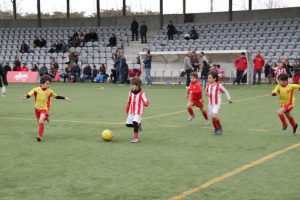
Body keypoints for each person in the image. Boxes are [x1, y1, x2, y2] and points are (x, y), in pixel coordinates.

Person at [21, 75, 72, 142]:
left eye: (49, 83)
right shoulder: (36, 89)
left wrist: (65, 98)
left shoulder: (49, 91)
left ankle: (39, 136)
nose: (49, 85)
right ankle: (46, 117)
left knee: (41, 121)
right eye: (47, 83)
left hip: (44, 109)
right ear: (42, 84)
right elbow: (30, 94)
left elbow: (56, 96)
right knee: (40, 123)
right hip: (36, 109)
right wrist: (25, 97)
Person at [125, 77, 149, 143]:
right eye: (131, 85)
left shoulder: (142, 93)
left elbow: (146, 101)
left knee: (135, 122)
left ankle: (136, 138)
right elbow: (129, 102)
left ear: (138, 85)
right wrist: (127, 110)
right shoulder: (130, 93)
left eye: (133, 85)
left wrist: (146, 103)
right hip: (131, 111)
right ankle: (138, 125)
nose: (131, 86)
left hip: (138, 112)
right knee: (127, 124)